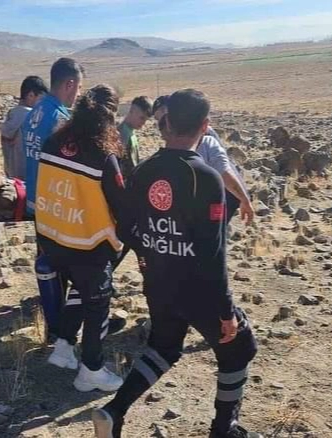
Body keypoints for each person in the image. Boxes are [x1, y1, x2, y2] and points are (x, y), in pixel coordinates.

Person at [92, 90, 260, 438]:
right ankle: (224, 429)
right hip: (198, 290)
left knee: (165, 348)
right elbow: (212, 256)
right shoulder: (205, 178)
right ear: (205, 125)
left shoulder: (145, 170)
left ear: (166, 122)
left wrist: (149, 252)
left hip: (159, 283)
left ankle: (113, 411)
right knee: (240, 347)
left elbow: (124, 227)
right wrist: (226, 311)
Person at [36, 85, 126, 392]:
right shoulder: (102, 155)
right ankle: (91, 369)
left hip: (53, 236)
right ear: (109, 117)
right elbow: (119, 201)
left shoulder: (54, 141)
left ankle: (63, 347)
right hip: (88, 242)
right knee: (98, 302)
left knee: (79, 287)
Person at [21, 57, 84, 339]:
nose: (78, 94)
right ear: (69, 84)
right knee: (60, 266)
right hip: (55, 205)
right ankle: (59, 328)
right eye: (78, 88)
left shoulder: (35, 111)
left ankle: (52, 323)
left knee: (46, 263)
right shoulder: (60, 118)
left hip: (36, 199)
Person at [154, 96, 254, 224]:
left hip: (224, 192)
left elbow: (222, 170)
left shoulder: (202, 136)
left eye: (160, 116)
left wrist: (244, 199)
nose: (159, 122)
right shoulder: (185, 135)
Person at [0, 76, 48, 179]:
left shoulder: (10, 117)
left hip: (11, 181)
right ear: (31, 95)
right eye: (41, 99)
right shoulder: (33, 119)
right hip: (28, 181)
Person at [118, 96, 153, 179]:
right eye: (142, 118)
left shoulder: (130, 131)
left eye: (146, 120)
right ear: (132, 111)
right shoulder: (122, 133)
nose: (143, 122)